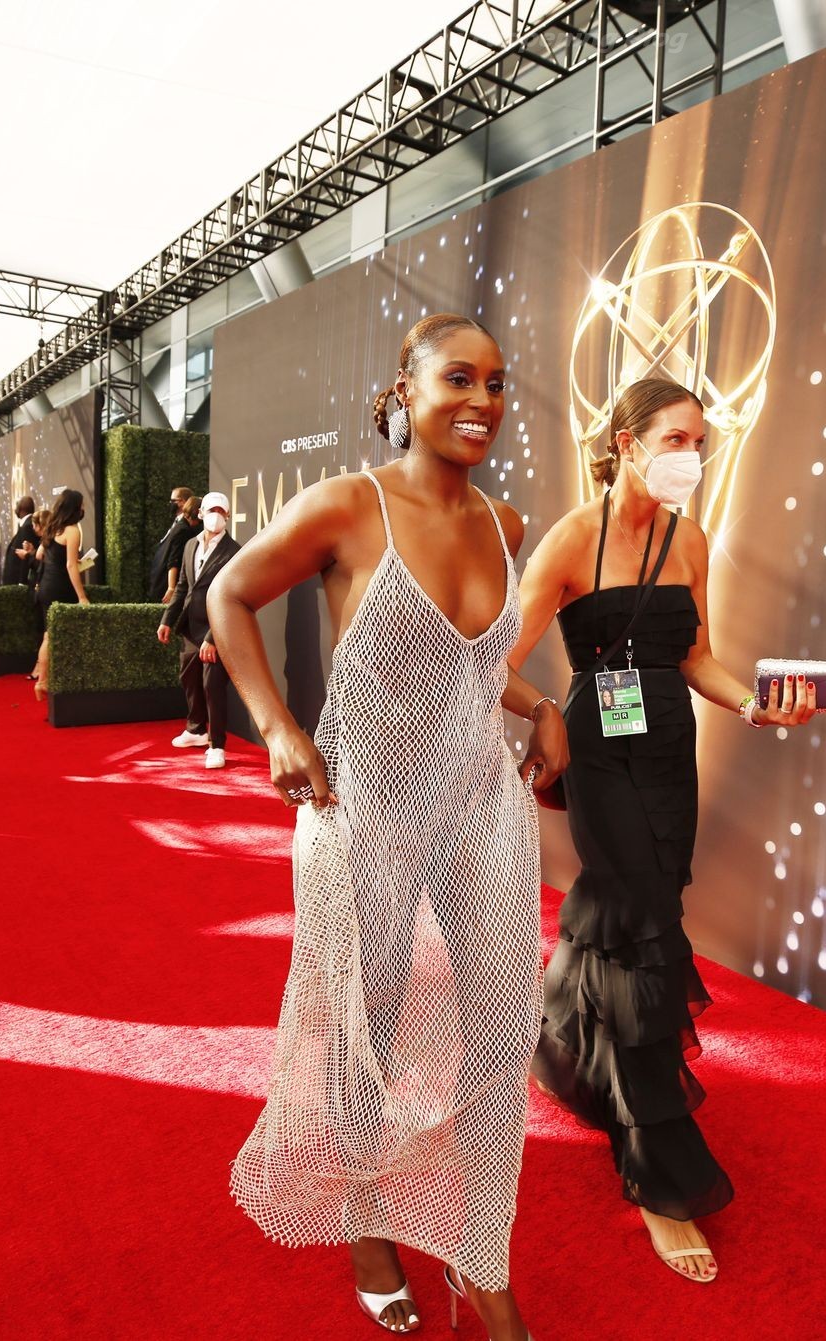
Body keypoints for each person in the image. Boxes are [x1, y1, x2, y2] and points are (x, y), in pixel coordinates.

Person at [209, 314, 564, 1341]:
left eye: (497, 383)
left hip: (480, 802)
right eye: (460, 378)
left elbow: (469, 664)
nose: (483, 401)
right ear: (406, 390)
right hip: (361, 802)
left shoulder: (504, 520)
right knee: (362, 1029)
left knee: (502, 1027)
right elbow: (229, 594)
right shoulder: (347, 508)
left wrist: (541, 705)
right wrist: (277, 726)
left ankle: (480, 1257)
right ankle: (370, 1225)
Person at [507, 377, 818, 1285]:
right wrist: (544, 716)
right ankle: (659, 1173)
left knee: (629, 910)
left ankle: (561, 1050)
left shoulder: (692, 538)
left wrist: (754, 705)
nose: (691, 456)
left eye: (700, 443)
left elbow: (696, 658)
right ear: (626, 441)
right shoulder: (572, 538)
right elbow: (495, 659)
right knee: (643, 924)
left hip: (670, 749)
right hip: (600, 754)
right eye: (676, 439)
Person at [158, 491, 238, 763]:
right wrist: (167, 620)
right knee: (189, 678)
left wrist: (213, 638)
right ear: (201, 513)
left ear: (228, 515)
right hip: (190, 627)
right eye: (211, 510)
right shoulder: (190, 545)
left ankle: (217, 745)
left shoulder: (234, 551)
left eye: (221, 511)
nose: (216, 515)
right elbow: (182, 587)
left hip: (217, 629)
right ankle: (196, 730)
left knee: (212, 685)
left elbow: (230, 599)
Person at [30, 488, 89, 696]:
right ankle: (45, 681)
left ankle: (43, 680)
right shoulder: (72, 530)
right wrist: (82, 596)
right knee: (57, 636)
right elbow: (71, 566)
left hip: (46, 586)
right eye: (81, 505)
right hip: (61, 588)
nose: (83, 508)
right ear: (75, 508)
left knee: (49, 635)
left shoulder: (51, 528)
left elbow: (40, 555)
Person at [149, 485, 202, 601]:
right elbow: (173, 559)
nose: (171, 504)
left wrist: (171, 587)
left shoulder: (183, 528)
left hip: (165, 585)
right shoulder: (181, 526)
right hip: (163, 584)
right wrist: (171, 587)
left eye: (174, 501)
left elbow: (174, 560)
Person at [3, 495, 40, 588]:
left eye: (17, 505)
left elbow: (25, 555)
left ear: (20, 508)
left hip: (18, 581)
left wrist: (22, 582)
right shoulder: (25, 524)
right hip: (15, 579)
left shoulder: (27, 526)